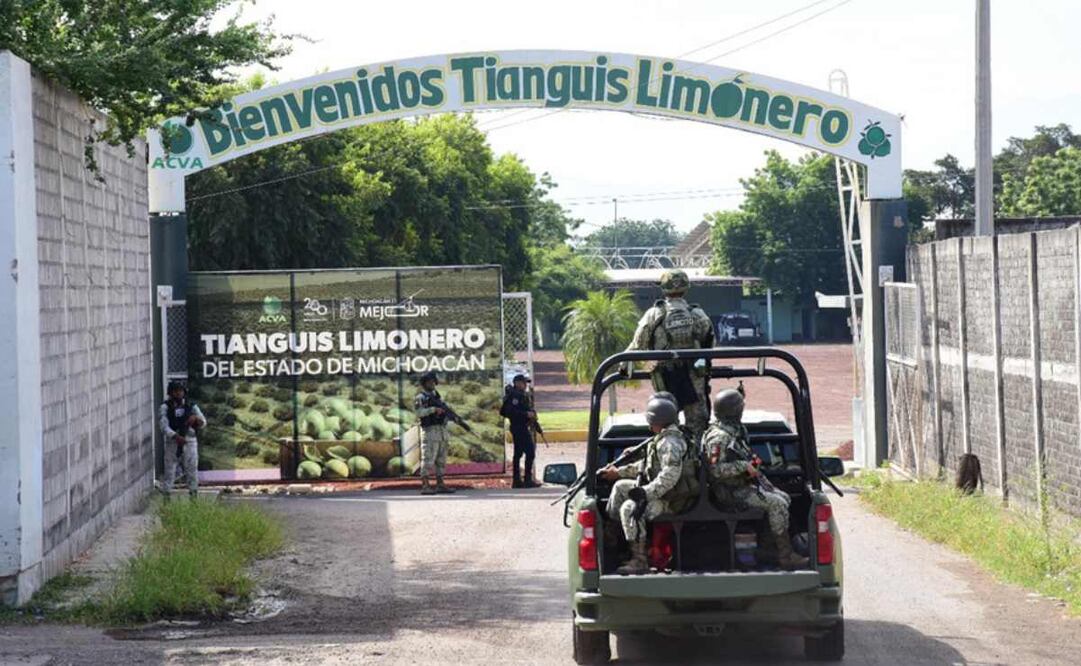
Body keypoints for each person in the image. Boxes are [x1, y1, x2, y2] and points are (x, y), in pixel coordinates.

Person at [701, 389, 808, 569]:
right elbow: (714, 470)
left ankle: (767, 548)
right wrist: (743, 467)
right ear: (734, 411)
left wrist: (753, 465)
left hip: (740, 486)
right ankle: (785, 556)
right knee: (777, 504)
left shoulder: (733, 431)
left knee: (784, 498)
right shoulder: (719, 437)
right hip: (729, 493)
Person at [599, 394, 692, 575]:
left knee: (629, 508)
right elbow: (647, 467)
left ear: (658, 420)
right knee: (619, 487)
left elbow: (669, 477)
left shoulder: (670, 443)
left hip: (672, 501)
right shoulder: (662, 439)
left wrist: (644, 493)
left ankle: (639, 559)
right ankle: (617, 540)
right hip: (664, 494)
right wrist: (618, 472)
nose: (649, 424)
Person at [624, 268, 714, 444]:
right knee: (698, 424)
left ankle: (672, 454)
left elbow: (637, 346)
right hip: (694, 376)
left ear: (664, 289)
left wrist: (624, 362)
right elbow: (710, 345)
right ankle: (697, 460)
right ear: (686, 288)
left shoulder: (654, 314)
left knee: (666, 421)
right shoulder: (698, 314)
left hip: (665, 376)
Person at [158, 381, 205, 498]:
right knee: (169, 471)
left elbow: (203, 422)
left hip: (190, 441)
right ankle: (166, 498)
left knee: (192, 471)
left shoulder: (191, 406)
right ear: (171, 392)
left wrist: (196, 419)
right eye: (175, 391)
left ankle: (193, 497)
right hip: (173, 442)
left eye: (180, 391)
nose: (178, 393)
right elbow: (163, 426)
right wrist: (175, 436)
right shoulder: (165, 407)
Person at [413, 371, 457, 495]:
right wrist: (433, 410)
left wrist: (449, 416)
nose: (432, 384)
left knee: (441, 459)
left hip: (441, 431)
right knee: (428, 459)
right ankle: (425, 485)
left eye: (433, 381)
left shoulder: (436, 396)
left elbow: (444, 410)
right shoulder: (421, 397)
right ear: (424, 383)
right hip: (430, 432)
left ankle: (440, 484)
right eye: (429, 382)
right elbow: (418, 413)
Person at [501, 374, 539, 488]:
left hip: (521, 426)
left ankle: (517, 480)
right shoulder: (514, 396)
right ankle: (526, 479)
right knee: (530, 452)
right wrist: (526, 414)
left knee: (518, 454)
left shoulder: (520, 395)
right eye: (523, 382)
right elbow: (510, 412)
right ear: (517, 383)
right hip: (518, 427)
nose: (525, 385)